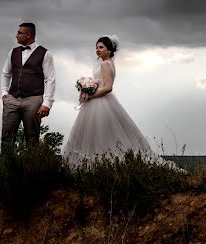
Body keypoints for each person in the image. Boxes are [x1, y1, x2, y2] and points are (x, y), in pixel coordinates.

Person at [62, 35, 176, 170]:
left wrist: (90, 96)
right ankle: (99, 165)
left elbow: (108, 87)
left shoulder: (105, 64)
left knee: (99, 135)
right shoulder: (108, 63)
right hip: (101, 102)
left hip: (100, 103)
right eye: (96, 47)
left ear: (109, 50)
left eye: (101, 47)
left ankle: (97, 166)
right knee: (103, 135)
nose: (97, 50)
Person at [0, 22, 56, 151]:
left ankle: (31, 168)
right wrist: (4, 93)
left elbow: (50, 79)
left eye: (20, 33)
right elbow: (5, 73)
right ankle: (6, 167)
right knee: (7, 137)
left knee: (32, 138)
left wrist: (47, 103)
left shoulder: (45, 54)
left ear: (29, 35)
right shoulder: (13, 52)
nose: (16, 35)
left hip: (33, 100)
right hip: (12, 100)